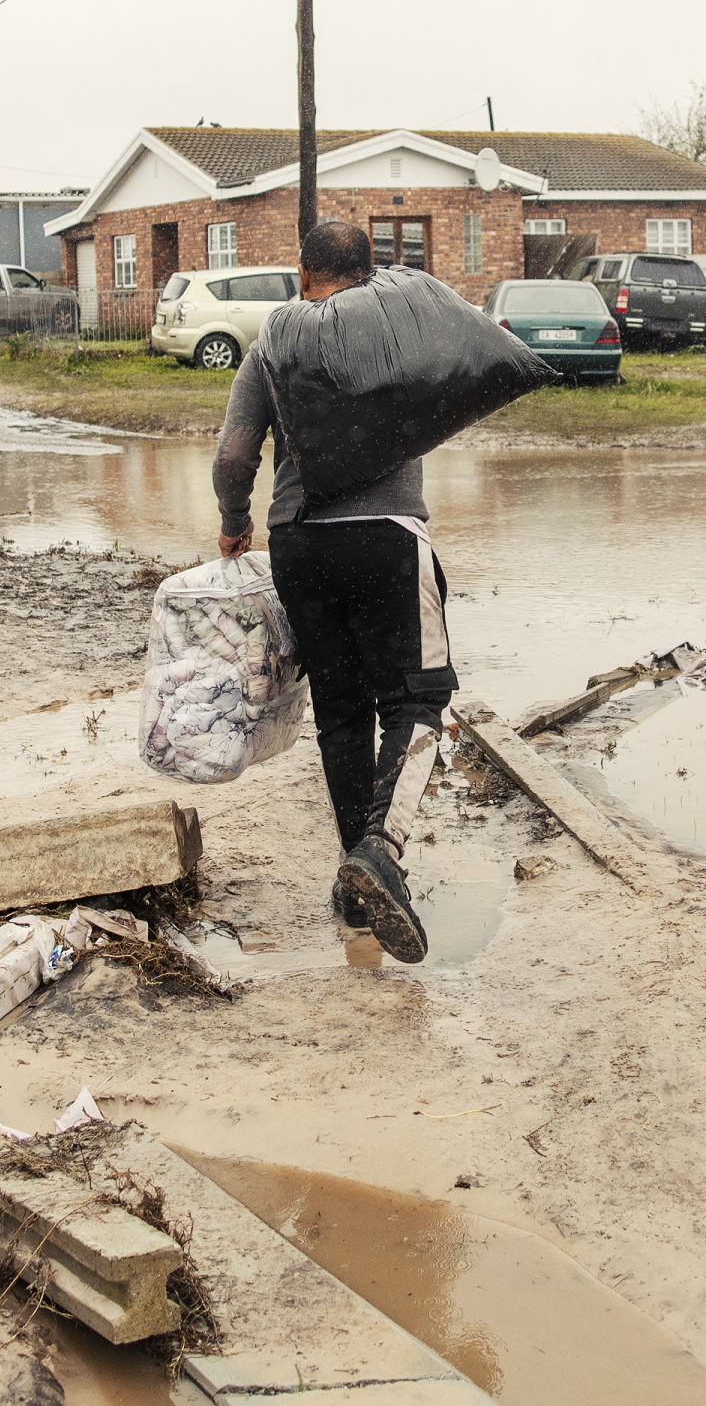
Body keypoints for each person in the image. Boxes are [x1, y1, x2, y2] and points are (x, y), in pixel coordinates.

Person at [212, 219, 449, 963]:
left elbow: (234, 453)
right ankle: (382, 850)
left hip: (300, 543)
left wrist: (233, 523)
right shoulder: (400, 336)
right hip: (387, 536)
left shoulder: (272, 345)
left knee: (341, 714)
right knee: (416, 701)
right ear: (370, 272)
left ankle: (355, 885)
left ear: (302, 273)